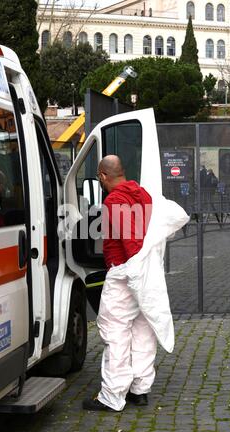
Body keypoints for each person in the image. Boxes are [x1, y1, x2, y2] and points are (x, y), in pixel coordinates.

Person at [82, 155, 154, 412]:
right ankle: (140, 389)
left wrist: (133, 273)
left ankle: (112, 395)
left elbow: (130, 239)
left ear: (102, 176)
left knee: (114, 330)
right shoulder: (143, 195)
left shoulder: (113, 200)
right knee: (142, 329)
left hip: (125, 272)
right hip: (146, 271)